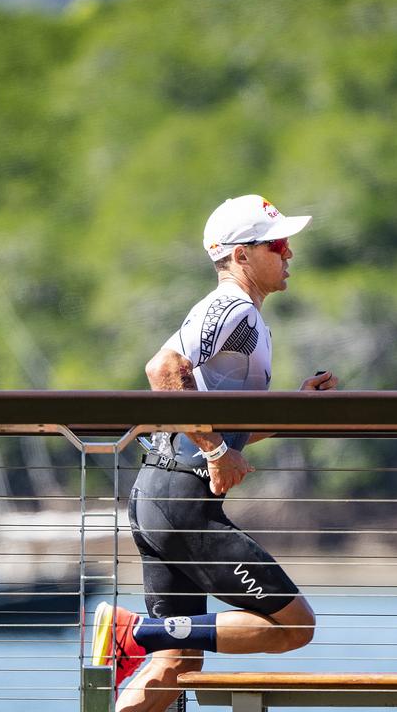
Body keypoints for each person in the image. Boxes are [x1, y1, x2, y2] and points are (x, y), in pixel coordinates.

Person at [91, 194, 338, 711]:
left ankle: (147, 638)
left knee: (176, 665)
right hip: (180, 501)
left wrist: (293, 409)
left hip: (161, 495)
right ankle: (137, 632)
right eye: (277, 244)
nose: (289, 253)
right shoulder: (233, 308)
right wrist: (217, 448)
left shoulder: (243, 319)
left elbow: (223, 427)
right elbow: (162, 371)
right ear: (241, 255)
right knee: (296, 627)